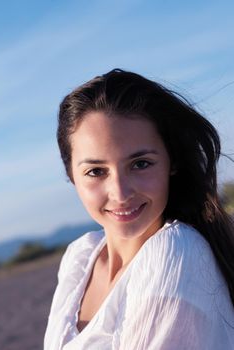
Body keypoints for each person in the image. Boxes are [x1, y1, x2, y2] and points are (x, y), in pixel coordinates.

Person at [44, 69, 234, 350]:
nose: (120, 192)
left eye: (141, 163)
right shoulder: (80, 258)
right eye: (96, 171)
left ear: (172, 162)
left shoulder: (174, 255)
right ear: (72, 174)